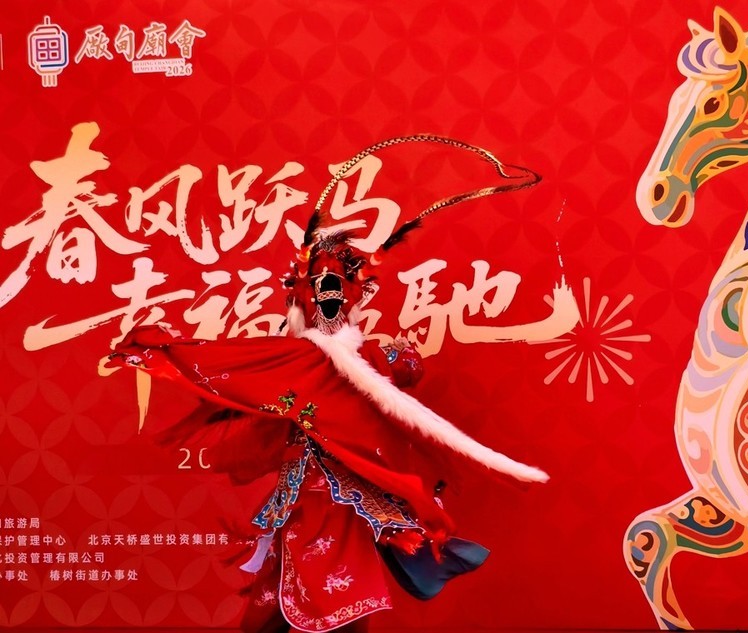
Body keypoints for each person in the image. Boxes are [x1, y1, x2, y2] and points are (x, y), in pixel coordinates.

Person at [109, 229, 548, 632]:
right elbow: (233, 365)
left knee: (334, 595)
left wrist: (394, 357)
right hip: (306, 492)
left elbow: (408, 368)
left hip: (344, 495)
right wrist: (162, 351)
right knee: (288, 596)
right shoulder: (304, 357)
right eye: (320, 291)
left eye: (337, 290)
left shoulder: (360, 358)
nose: (329, 300)